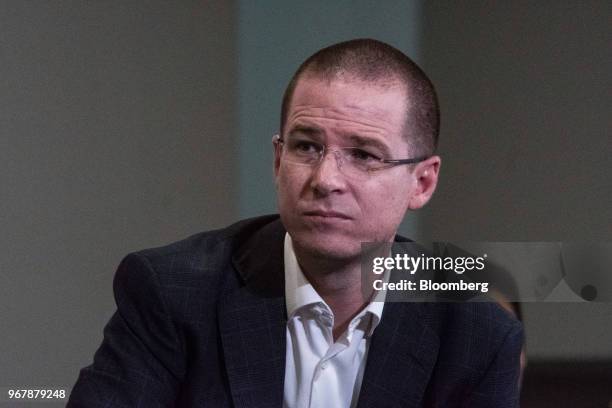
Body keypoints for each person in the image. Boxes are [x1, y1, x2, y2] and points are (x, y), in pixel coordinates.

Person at [68, 39, 523, 407]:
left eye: (363, 155)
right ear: (277, 159)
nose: (325, 180)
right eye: (306, 146)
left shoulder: (474, 332)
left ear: (421, 182)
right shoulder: (173, 292)